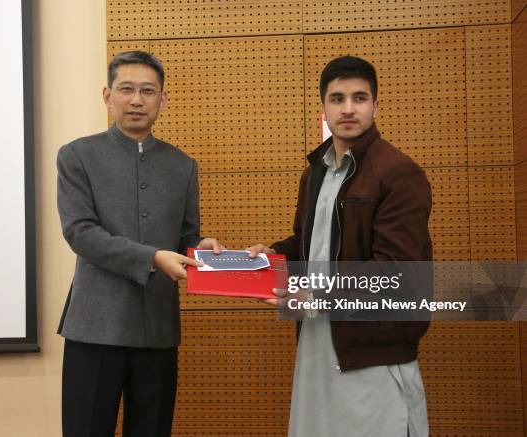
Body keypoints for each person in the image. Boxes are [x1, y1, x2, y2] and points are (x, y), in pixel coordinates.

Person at [248, 56, 432, 436]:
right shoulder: (315, 172)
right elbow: (310, 244)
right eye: (337, 98)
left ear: (375, 106)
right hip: (317, 340)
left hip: (371, 351)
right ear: (324, 108)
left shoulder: (399, 172)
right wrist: (269, 257)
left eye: (359, 97)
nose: (348, 108)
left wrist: (314, 295)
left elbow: (395, 272)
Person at [56, 50, 222, 437]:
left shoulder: (183, 165)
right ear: (107, 95)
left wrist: (202, 246)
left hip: (157, 328)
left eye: (148, 91)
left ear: (162, 99)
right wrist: (153, 258)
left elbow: (185, 235)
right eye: (126, 89)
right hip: (95, 327)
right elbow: (80, 232)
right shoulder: (77, 155)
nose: (136, 100)